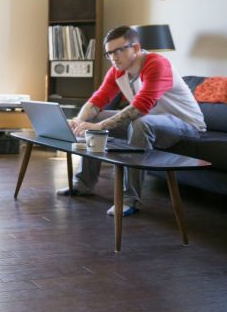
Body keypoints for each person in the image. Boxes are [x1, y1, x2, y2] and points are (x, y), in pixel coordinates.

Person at [57, 26, 205, 216]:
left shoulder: (157, 64)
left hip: (186, 124)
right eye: (109, 53)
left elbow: (139, 108)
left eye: (118, 51)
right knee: (92, 117)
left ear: (135, 48)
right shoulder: (118, 70)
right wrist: (79, 120)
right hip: (152, 120)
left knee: (140, 123)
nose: (113, 58)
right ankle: (83, 183)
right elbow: (98, 99)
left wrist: (100, 126)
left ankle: (130, 199)